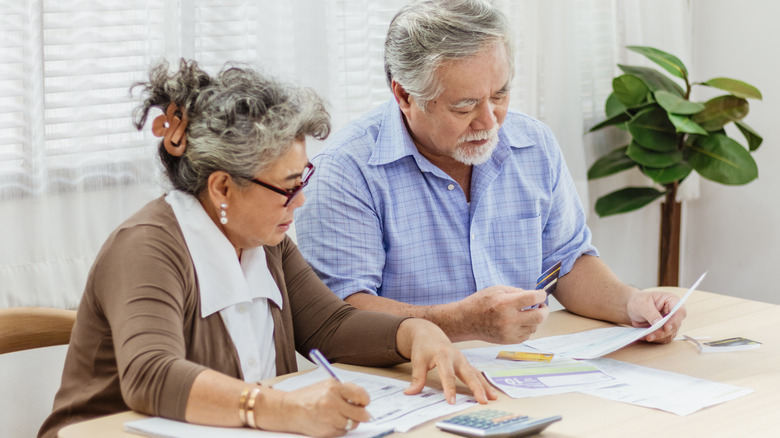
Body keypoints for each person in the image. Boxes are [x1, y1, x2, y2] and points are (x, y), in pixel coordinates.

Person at [38, 59, 497, 438]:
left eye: (303, 180)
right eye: (286, 186)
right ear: (222, 187)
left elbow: (332, 327)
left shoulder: (263, 238)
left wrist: (414, 332)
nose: (300, 201)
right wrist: (283, 408)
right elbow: (151, 375)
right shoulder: (146, 247)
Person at [294, 0, 686, 345]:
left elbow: (566, 262)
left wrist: (631, 303)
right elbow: (342, 315)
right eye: (464, 106)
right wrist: (462, 323)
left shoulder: (533, 142)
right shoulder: (345, 170)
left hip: (526, 368)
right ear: (404, 96)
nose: (488, 121)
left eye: (499, 95)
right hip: (407, 384)